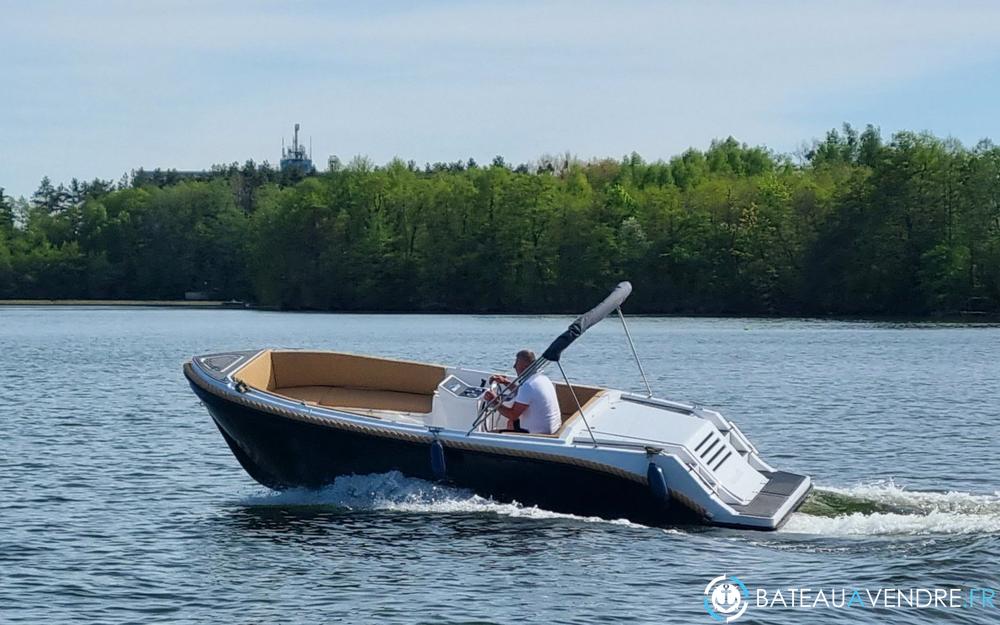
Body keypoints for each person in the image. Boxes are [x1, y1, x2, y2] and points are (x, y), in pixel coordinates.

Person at [484, 349, 562, 434]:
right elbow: (523, 394)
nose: (514, 366)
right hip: (553, 428)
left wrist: (494, 401)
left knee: (490, 433)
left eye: (516, 363)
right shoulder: (543, 379)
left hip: (538, 435)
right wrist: (505, 382)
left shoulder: (528, 386)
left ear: (524, 366)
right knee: (510, 422)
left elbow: (512, 415)